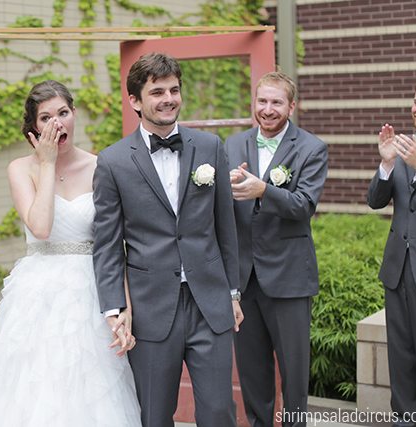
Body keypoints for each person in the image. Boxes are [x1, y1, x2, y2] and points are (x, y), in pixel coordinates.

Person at [0, 80, 141, 426]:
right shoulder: (20, 169)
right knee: (35, 390)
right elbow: (41, 228)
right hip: (38, 295)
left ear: (74, 114)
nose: (56, 124)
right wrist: (46, 165)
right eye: (45, 118)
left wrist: (125, 307)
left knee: (92, 391)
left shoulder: (100, 166)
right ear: (33, 127)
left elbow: (113, 244)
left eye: (63, 113)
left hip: (92, 291)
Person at [93, 52, 243, 427]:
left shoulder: (209, 146)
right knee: (155, 415)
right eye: (157, 91)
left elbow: (226, 225)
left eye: (174, 90)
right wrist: (114, 308)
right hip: (150, 309)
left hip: (209, 302)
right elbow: (108, 244)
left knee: (218, 412)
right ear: (135, 101)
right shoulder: (113, 162)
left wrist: (233, 293)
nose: (168, 98)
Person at [224, 71, 328, 427]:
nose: (267, 110)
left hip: (289, 278)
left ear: (292, 106)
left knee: (294, 373)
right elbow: (221, 210)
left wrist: (264, 190)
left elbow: (303, 206)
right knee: (252, 373)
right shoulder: (232, 145)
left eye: (276, 102)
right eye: (262, 101)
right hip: (244, 278)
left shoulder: (312, 148)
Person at [367, 75, 416, 426]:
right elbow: (375, 202)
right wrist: (387, 163)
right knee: (402, 360)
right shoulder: (402, 145)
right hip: (397, 271)